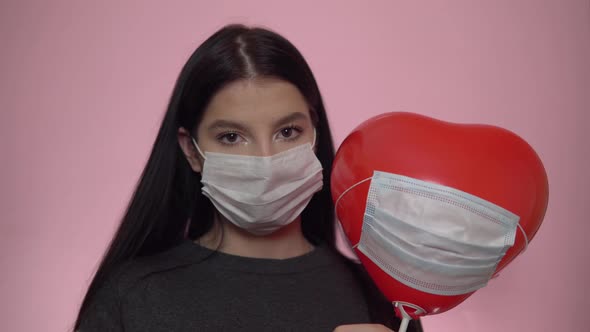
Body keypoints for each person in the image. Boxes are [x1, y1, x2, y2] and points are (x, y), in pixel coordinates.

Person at [73, 24, 424, 332]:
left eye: (288, 131)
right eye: (231, 137)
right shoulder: (132, 297)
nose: (265, 160)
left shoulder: (384, 300)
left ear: (314, 134)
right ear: (192, 150)